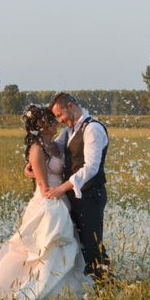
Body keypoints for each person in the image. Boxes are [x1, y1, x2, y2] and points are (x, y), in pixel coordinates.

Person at [0, 104, 90, 300]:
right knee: (43, 247)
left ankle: (63, 287)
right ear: (39, 124)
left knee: (61, 247)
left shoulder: (54, 144)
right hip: (48, 202)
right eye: (49, 119)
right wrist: (54, 191)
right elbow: (43, 185)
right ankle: (26, 288)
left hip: (61, 198)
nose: (55, 122)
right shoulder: (36, 149)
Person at [26, 92, 111, 282]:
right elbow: (50, 149)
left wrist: (62, 188)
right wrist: (33, 164)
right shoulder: (70, 130)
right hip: (73, 198)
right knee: (78, 243)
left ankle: (106, 285)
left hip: (90, 195)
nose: (59, 120)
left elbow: (91, 168)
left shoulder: (92, 129)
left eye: (60, 115)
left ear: (71, 106)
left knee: (92, 243)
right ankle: (88, 282)